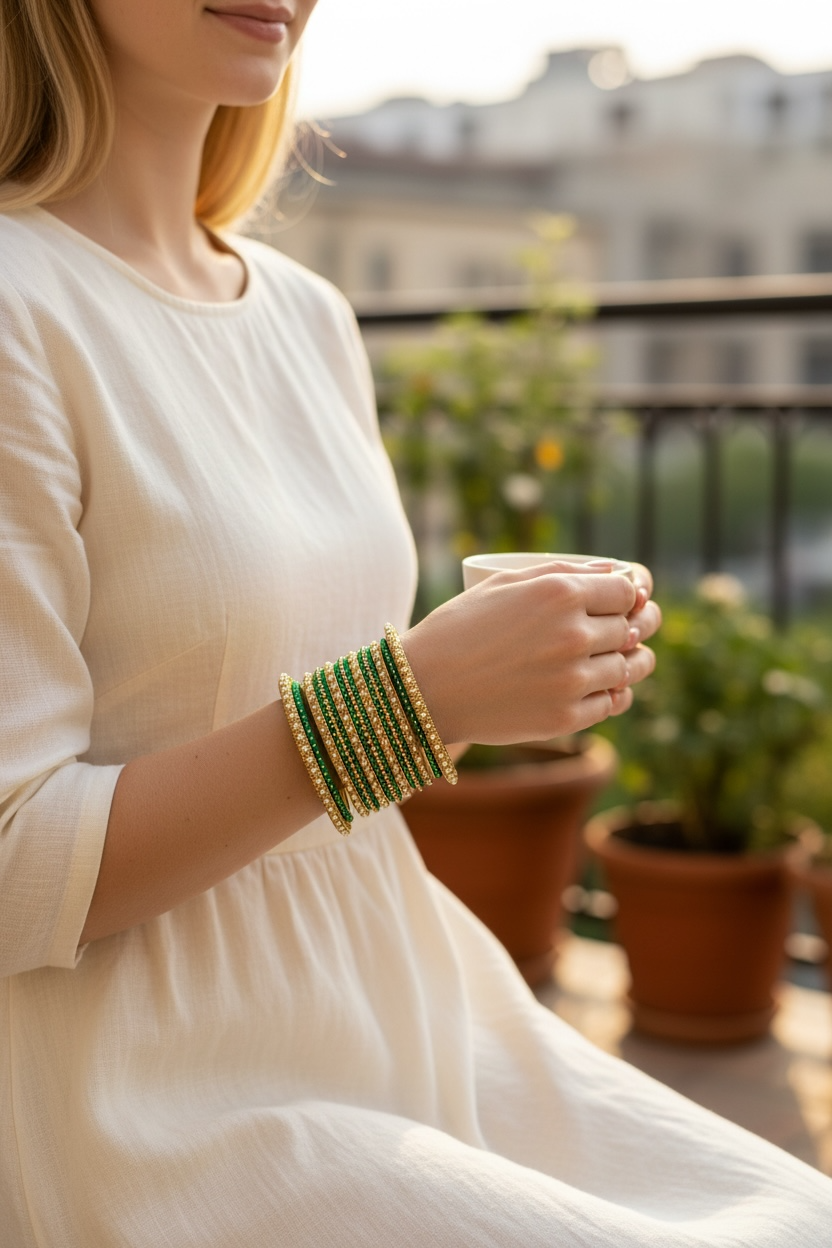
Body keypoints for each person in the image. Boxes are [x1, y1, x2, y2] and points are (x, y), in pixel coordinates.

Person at [0, 1, 828, 1243]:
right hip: (154, 1081)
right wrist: (412, 705)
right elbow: (16, 869)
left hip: (400, 989)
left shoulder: (305, 314)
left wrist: (482, 688)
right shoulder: (19, 306)